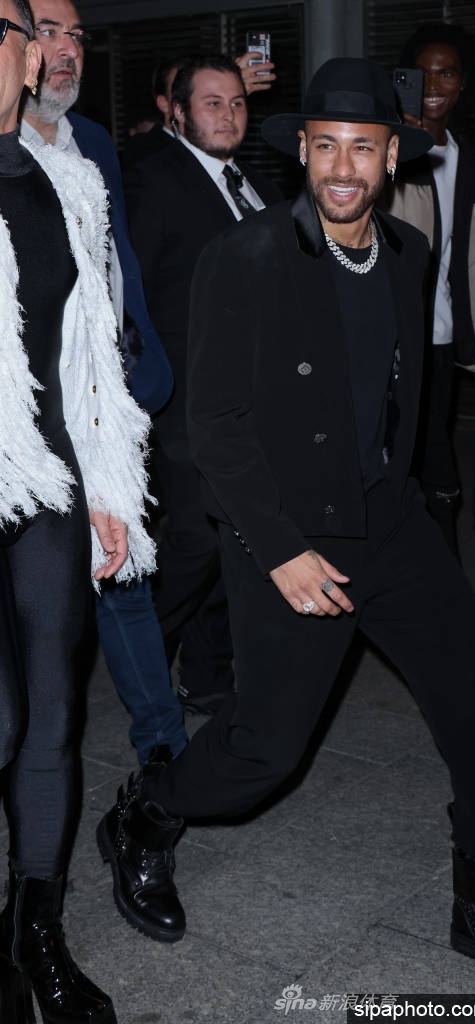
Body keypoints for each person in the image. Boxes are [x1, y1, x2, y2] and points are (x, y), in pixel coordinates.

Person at [97, 58, 475, 996]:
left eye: (362, 147)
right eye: (325, 147)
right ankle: (143, 815)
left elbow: (402, 395)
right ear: (304, 155)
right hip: (288, 529)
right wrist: (279, 551)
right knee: (263, 751)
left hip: (387, 520)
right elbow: (215, 425)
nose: (342, 167)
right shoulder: (245, 257)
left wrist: (424, 497)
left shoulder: (407, 251)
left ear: (391, 156)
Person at [0, 0, 155, 1018]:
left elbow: (91, 350)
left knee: (53, 713)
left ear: (25, 59)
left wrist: (108, 484)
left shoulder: (70, 181)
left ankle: (34, 931)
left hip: (46, 481)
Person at [20, 0, 188, 767]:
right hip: (30, 418)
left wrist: (142, 354)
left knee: (125, 575)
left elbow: (117, 258)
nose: (68, 50)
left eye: (77, 37)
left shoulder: (91, 140)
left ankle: (162, 752)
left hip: (105, 403)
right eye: (49, 32)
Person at [124, 54, 282, 715]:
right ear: (176, 112)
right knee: (198, 538)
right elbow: (126, 292)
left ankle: (207, 672)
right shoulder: (154, 177)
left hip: (249, 400)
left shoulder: (252, 182)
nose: (228, 114)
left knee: (235, 536)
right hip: (183, 399)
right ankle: (140, 664)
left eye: (237, 102)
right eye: (212, 102)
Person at [385, 23, 475, 557]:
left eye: (446, 73)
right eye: (421, 73)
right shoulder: (386, 150)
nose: (433, 85)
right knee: (406, 456)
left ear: (463, 83)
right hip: (390, 334)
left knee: (432, 448)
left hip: (444, 333)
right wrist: (397, 143)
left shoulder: (471, 158)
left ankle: (436, 568)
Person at [122, 48, 276, 170]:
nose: (228, 115)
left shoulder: (237, 168)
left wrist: (231, 88)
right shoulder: (145, 152)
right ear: (166, 103)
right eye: (213, 102)